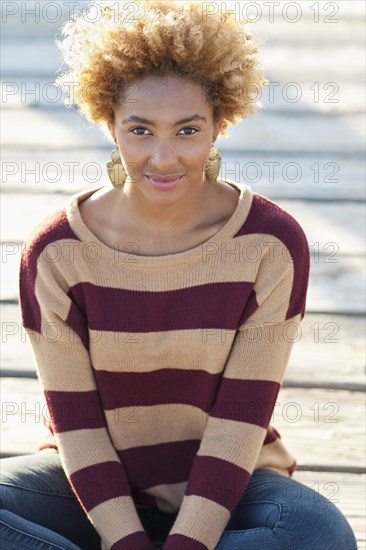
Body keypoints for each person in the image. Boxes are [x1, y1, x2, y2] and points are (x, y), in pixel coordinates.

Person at [0, 1, 358, 549]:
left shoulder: (267, 244)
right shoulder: (57, 253)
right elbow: (76, 424)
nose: (162, 157)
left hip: (232, 482)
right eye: (140, 130)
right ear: (109, 123)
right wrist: (127, 541)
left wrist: (189, 542)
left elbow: (241, 420)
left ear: (219, 125)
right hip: (93, 489)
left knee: (317, 534)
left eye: (187, 130)